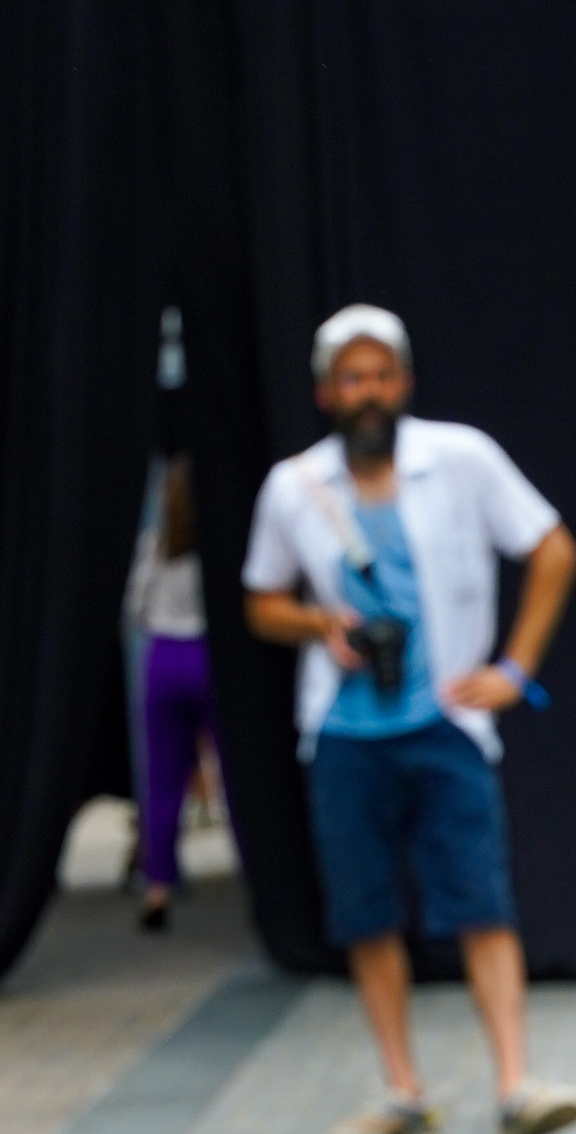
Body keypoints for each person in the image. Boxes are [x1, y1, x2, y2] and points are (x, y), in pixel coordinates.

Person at [244, 306, 576, 1134]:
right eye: (351, 378)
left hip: (445, 725)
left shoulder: (458, 459)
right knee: (366, 913)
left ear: (404, 384)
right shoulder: (293, 487)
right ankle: (403, 1090)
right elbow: (260, 601)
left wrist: (513, 669)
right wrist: (318, 624)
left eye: (381, 376)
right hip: (343, 736)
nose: (368, 392)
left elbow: (550, 547)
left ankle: (514, 1083)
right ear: (326, 392)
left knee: (481, 900)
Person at [126, 452, 218, 931]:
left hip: (164, 656)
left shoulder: (155, 545)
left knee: (162, 780)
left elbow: (137, 605)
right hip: (207, 654)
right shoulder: (217, 546)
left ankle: (157, 885)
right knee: (234, 776)